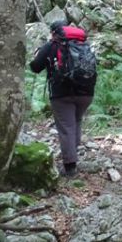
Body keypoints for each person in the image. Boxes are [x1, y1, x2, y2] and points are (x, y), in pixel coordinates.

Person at [29, 21, 96, 177]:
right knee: (76, 121)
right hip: (86, 92)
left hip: (62, 94)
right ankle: (73, 152)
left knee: (66, 127)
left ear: (53, 32)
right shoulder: (84, 45)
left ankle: (70, 167)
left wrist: (38, 53)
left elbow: (35, 67)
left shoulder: (51, 45)